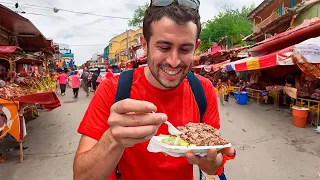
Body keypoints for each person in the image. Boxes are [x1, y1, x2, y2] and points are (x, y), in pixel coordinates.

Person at [73, 1, 235, 180]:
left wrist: (212, 163)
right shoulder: (113, 89)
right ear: (144, 44)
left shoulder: (203, 90)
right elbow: (82, 177)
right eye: (164, 47)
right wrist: (113, 139)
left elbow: (214, 166)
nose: (174, 61)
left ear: (196, 47)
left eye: (185, 49)